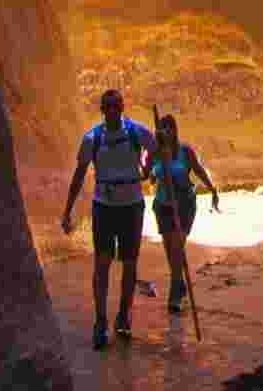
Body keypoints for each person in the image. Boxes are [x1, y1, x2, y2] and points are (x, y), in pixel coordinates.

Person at [61, 87, 153, 349]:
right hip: (104, 207)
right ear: (102, 110)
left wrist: (147, 167)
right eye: (108, 106)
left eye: (116, 105)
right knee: (102, 265)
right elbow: (79, 174)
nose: (112, 110)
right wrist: (67, 210)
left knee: (129, 264)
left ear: (122, 107)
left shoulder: (137, 132)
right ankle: (100, 321)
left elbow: (157, 148)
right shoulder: (92, 138)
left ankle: (124, 315)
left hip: (132, 207)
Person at [149, 112, 218, 315]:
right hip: (163, 206)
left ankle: (175, 293)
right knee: (171, 251)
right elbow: (149, 175)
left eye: (169, 128)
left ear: (175, 130)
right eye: (162, 128)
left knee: (177, 247)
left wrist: (212, 189)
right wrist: (152, 172)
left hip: (184, 204)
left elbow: (198, 170)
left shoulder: (185, 151)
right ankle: (179, 285)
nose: (166, 132)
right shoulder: (155, 152)